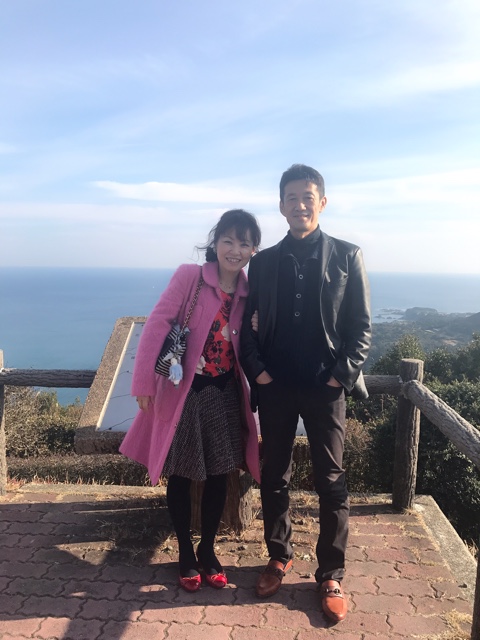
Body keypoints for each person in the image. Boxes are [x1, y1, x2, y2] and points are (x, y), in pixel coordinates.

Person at [241, 164, 371, 622]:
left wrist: (339, 376)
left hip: (325, 388)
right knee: (273, 474)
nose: (300, 205)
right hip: (275, 387)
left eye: (308, 197)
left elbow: (361, 329)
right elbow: (247, 327)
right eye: (292, 198)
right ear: (281, 206)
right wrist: (258, 374)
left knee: (331, 480)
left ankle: (330, 572)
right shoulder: (263, 263)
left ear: (322, 202)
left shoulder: (347, 256)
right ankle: (279, 555)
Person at [120, 209, 262, 592]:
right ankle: (185, 551)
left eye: (244, 243)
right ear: (216, 242)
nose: (235, 249)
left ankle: (208, 550)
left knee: (219, 473)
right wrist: (143, 383)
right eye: (228, 240)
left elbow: (257, 339)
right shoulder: (191, 276)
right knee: (181, 474)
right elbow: (158, 323)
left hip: (225, 392)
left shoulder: (251, 293)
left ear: (253, 249)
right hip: (184, 391)